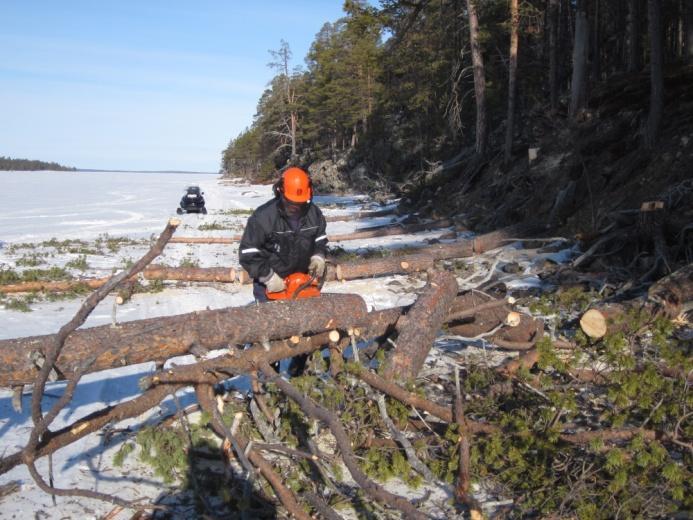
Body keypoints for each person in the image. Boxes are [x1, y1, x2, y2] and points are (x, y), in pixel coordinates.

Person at [239, 166, 328, 374]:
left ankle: (300, 370)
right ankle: (268, 382)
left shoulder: (314, 214)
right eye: (291, 203)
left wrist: (319, 256)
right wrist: (268, 276)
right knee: (270, 337)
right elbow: (248, 253)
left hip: (303, 282)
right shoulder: (263, 217)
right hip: (273, 285)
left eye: (300, 204)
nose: (295, 208)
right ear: (280, 193)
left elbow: (321, 240)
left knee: (306, 330)